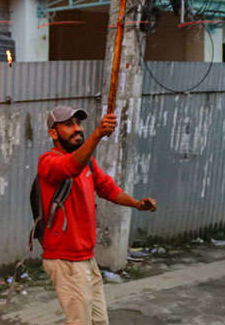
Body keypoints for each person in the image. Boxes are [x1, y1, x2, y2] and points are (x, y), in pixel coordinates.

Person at [38, 106, 157, 325]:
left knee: (99, 322)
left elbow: (107, 188)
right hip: (66, 259)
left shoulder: (88, 162)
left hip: (85, 257)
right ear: (53, 133)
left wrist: (137, 204)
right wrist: (98, 134)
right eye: (68, 125)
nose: (77, 130)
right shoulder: (49, 161)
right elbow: (70, 167)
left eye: (79, 124)